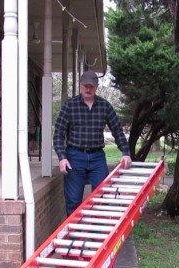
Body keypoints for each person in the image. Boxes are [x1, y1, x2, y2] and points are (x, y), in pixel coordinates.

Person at [53, 70, 131, 216]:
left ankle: (97, 235)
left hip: (97, 158)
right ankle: (74, 234)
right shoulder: (69, 106)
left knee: (101, 197)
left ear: (96, 87)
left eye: (91, 86)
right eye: (85, 86)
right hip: (74, 157)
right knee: (73, 200)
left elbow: (117, 131)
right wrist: (62, 157)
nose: (88, 89)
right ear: (80, 86)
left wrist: (126, 153)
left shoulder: (105, 106)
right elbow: (58, 134)